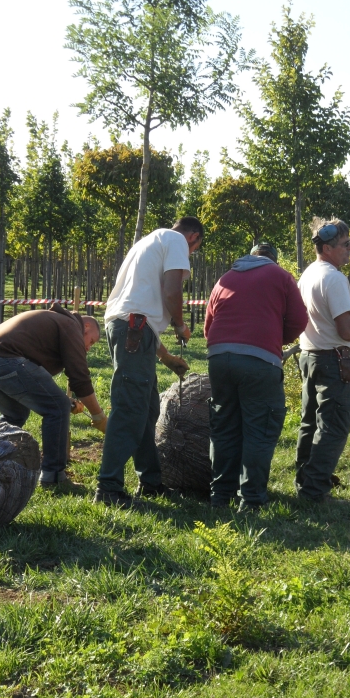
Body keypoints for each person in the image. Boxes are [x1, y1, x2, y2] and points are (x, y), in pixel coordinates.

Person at [95, 216, 203, 506]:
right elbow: (172, 291)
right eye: (194, 250)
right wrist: (180, 325)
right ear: (193, 237)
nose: (190, 254)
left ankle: (151, 482)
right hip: (133, 328)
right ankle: (108, 488)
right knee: (130, 407)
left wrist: (165, 357)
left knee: (147, 408)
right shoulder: (177, 240)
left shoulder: (148, 242)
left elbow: (140, 309)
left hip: (131, 327)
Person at [204, 242, 308, 510]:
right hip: (259, 361)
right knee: (260, 429)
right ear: (273, 259)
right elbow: (299, 320)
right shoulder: (281, 276)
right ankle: (251, 500)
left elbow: (208, 326)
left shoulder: (225, 278)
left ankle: (220, 497)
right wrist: (274, 340)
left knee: (224, 427)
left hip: (219, 358)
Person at [0, 303, 106, 487]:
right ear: (86, 326)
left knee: (16, 414)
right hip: (2, 358)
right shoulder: (71, 325)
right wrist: (98, 416)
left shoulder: (54, 321)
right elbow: (80, 378)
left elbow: (35, 382)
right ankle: (54, 477)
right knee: (58, 408)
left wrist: (66, 400)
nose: (88, 348)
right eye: (91, 341)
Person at [295, 219, 350, 503]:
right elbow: (346, 331)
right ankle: (314, 490)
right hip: (334, 360)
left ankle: (305, 480)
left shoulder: (308, 274)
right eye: (345, 244)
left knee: (310, 423)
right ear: (327, 248)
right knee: (334, 425)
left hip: (309, 355)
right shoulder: (335, 278)